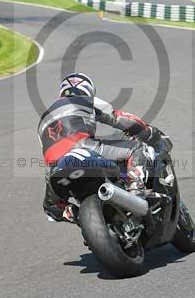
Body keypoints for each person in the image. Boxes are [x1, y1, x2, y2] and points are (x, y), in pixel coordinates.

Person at [38, 73, 163, 223]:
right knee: (138, 149)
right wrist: (148, 131)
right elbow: (118, 118)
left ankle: (75, 215)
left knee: (52, 207)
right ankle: (136, 188)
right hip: (83, 147)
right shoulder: (84, 100)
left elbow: (46, 156)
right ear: (88, 89)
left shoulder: (43, 120)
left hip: (55, 166)